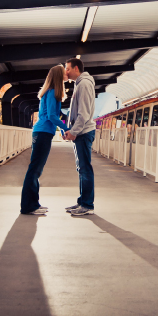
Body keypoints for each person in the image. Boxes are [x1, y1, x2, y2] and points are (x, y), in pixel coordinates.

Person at [20, 65, 69, 215]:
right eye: (64, 72)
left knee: (36, 169)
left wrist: (62, 129)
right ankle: (28, 206)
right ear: (59, 76)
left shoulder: (50, 91)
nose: (67, 73)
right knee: (35, 169)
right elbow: (52, 116)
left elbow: (51, 115)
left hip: (42, 132)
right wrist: (66, 128)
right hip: (43, 132)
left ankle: (34, 204)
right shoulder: (53, 92)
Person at [63, 58, 96, 216]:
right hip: (81, 132)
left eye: (68, 69)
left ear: (76, 68)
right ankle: (82, 202)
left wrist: (74, 132)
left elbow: (83, 114)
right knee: (82, 169)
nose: (66, 72)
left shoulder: (83, 84)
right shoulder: (80, 84)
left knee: (85, 169)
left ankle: (87, 205)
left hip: (83, 132)